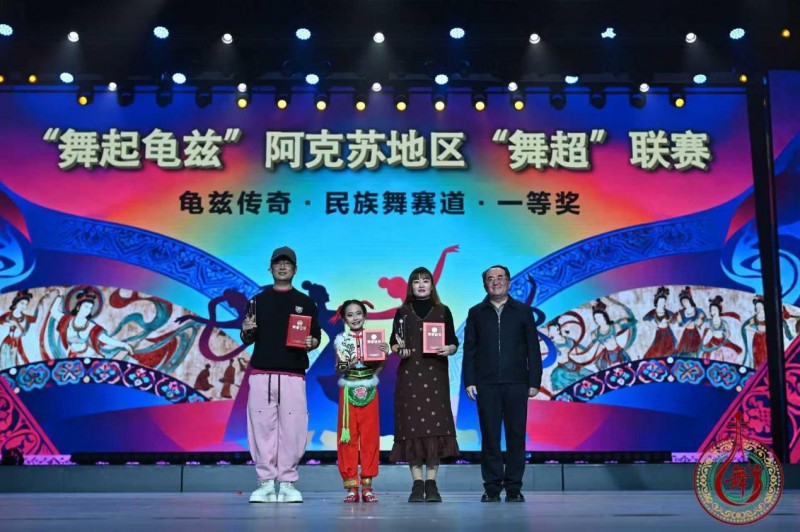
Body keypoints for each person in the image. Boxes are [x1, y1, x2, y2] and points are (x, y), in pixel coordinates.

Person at [240, 246, 321, 504]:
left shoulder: (306, 302)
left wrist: (311, 341)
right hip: (262, 373)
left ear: (295, 269)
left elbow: (315, 336)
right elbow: (247, 337)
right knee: (261, 428)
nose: (282, 267)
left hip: (293, 374)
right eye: (278, 263)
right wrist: (245, 330)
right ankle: (265, 483)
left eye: (287, 263)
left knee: (294, 429)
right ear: (270, 268)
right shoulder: (257, 301)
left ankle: (287, 483)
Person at [463, 265, 542, 503]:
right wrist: (470, 380)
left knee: (516, 437)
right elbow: (470, 349)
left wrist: (534, 380)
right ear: (484, 284)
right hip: (486, 384)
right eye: (490, 279)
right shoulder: (476, 312)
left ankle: (514, 488)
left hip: (517, 383)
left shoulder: (523, 311)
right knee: (490, 438)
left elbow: (533, 348)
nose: (495, 282)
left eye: (500, 278)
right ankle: (492, 488)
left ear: (508, 282)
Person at [389, 266, 459, 503]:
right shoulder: (402, 312)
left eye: (425, 280)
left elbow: (453, 342)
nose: (421, 285)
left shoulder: (443, 311)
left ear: (432, 285)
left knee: (434, 429)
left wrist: (449, 348)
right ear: (411, 286)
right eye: (416, 281)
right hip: (410, 376)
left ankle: (432, 483)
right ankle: (417, 484)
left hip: (435, 376)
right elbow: (394, 341)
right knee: (413, 429)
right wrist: (399, 349)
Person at [333, 300, 389, 503]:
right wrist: (346, 363)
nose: (355, 318)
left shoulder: (374, 338)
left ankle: (367, 485)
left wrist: (384, 353)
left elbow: (381, 364)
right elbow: (337, 368)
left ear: (365, 316)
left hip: (369, 390)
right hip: (348, 389)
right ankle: (351, 486)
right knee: (347, 437)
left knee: (369, 437)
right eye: (350, 315)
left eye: (358, 313)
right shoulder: (341, 340)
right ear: (344, 319)